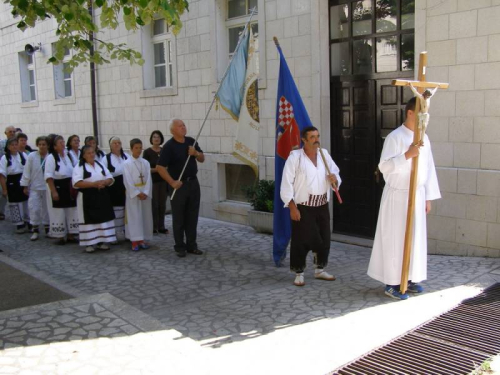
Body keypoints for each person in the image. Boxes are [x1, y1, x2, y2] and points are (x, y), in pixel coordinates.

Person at [367, 97, 441, 300]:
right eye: (421, 115)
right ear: (410, 113)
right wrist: (407, 155)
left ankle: (409, 277)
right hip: (398, 196)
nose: (424, 119)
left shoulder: (425, 138)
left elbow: (429, 168)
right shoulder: (395, 137)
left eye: (426, 115)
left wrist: (428, 197)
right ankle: (392, 282)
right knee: (395, 238)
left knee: (415, 237)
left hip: (416, 195)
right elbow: (384, 167)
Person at [280, 126, 341, 287]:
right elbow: (286, 183)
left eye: (317, 136)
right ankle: (299, 272)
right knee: (301, 240)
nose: (316, 140)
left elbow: (335, 173)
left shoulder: (324, 155)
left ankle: (319, 269)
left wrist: (335, 179)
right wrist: (292, 207)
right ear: (304, 140)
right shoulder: (295, 157)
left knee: (324, 238)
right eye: (312, 137)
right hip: (304, 206)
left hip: (322, 204)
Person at [157, 118, 204, 258]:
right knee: (179, 217)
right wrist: (171, 182)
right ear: (173, 130)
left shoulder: (191, 141)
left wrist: (195, 153)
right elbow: (160, 167)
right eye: (180, 126)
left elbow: (202, 158)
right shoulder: (169, 146)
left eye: (184, 124)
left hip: (193, 184)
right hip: (179, 186)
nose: (183, 127)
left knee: (192, 216)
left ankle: (192, 245)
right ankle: (179, 246)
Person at [73, 145, 116, 253]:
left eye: (93, 152)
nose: (92, 155)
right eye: (89, 153)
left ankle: (102, 241)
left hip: (101, 195)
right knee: (89, 219)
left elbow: (110, 177)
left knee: (102, 218)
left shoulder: (100, 164)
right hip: (87, 197)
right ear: (83, 155)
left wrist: (104, 182)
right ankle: (89, 243)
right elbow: (77, 183)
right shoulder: (79, 166)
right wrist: (93, 184)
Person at [45, 135, 79, 245]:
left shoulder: (69, 155)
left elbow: (76, 168)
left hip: (69, 185)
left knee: (71, 209)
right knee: (58, 211)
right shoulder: (51, 157)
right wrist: (53, 191)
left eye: (63, 142)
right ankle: (60, 235)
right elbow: (49, 176)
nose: (63, 144)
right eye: (60, 142)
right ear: (54, 147)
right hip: (57, 185)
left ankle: (71, 234)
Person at [123, 138, 153, 251]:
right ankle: (135, 240)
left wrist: (145, 192)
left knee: (145, 216)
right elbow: (127, 180)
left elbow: (149, 179)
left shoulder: (145, 163)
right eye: (136, 148)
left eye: (140, 148)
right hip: (134, 194)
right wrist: (136, 193)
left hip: (144, 192)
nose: (139, 150)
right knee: (134, 217)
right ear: (131, 149)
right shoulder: (127, 164)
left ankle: (143, 239)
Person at [20, 136, 50, 240]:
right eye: (40, 144)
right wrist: (25, 185)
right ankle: (35, 229)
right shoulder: (32, 156)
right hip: (35, 186)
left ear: (47, 145)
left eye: (44, 144)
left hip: (47, 187)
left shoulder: (50, 156)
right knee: (34, 208)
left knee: (47, 209)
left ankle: (48, 228)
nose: (42, 146)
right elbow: (27, 171)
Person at [0, 138, 29, 233]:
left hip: (23, 180)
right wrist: (4, 189)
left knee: (26, 202)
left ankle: (28, 221)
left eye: (16, 144)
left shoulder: (23, 155)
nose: (14, 146)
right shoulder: (5, 158)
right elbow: (2, 175)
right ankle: (19, 224)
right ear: (8, 147)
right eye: (12, 145)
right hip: (12, 182)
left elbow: (28, 169)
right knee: (15, 204)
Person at [143, 130, 169, 235]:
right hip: (153, 181)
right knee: (154, 205)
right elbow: (145, 168)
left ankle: (161, 226)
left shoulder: (164, 151)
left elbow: (168, 165)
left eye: (158, 137)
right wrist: (158, 169)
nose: (156, 139)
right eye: (154, 137)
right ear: (151, 139)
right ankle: (153, 227)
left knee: (162, 204)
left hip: (164, 181)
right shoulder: (147, 152)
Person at [103, 137, 128, 237]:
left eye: (119, 142)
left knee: (126, 210)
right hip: (114, 188)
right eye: (114, 143)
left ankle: (127, 232)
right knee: (116, 211)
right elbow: (104, 173)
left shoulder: (126, 156)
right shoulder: (106, 158)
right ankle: (115, 233)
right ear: (110, 145)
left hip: (126, 186)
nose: (117, 144)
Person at [0, 126, 16, 220]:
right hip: (3, 169)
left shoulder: (19, 142)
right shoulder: (1, 144)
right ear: (5, 133)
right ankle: (1, 211)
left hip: (15, 172)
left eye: (14, 131)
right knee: (2, 192)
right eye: (10, 131)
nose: (12, 133)